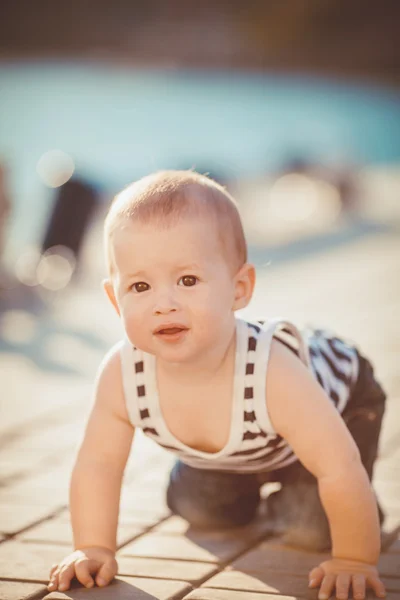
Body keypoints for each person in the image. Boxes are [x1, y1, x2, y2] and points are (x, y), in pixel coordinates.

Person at [47, 170, 388, 599]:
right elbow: (98, 465)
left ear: (239, 288)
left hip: (343, 402)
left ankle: (318, 496)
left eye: (188, 280)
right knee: (197, 508)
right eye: (140, 286)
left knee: (311, 525)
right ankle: (245, 475)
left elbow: (339, 466)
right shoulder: (122, 372)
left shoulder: (273, 372)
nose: (164, 303)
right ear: (116, 300)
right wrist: (92, 546)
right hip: (254, 440)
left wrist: (355, 558)